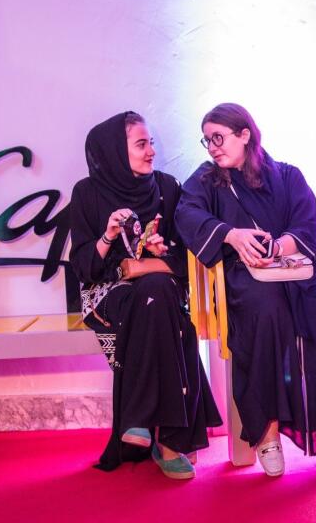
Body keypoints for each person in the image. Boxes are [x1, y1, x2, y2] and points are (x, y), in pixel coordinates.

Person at [176, 103, 316, 477]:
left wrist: (278, 248)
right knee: (268, 310)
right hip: (244, 279)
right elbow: (187, 215)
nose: (212, 147)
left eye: (219, 137)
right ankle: (267, 432)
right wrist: (232, 235)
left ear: (245, 134)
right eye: (207, 140)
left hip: (293, 269)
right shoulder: (206, 180)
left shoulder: (287, 176)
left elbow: (307, 226)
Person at [69, 111, 222, 479]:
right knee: (165, 311)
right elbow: (84, 269)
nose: (151, 151)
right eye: (141, 144)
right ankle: (170, 441)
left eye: (151, 142)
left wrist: (153, 255)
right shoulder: (87, 193)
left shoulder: (167, 189)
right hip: (107, 294)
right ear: (115, 152)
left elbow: (187, 260)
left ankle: (138, 418)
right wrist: (108, 237)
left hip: (161, 289)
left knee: (157, 294)